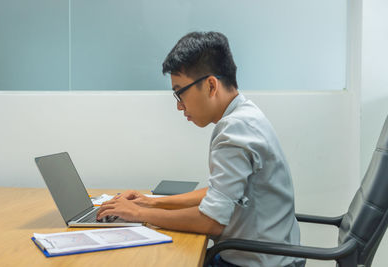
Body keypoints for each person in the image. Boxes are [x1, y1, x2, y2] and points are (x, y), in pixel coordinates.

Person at [97, 31, 305, 267]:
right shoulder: (246, 115)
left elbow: (211, 221)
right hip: (269, 256)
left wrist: (138, 214)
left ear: (210, 85)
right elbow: (219, 193)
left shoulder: (234, 130)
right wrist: (150, 202)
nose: (179, 106)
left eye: (180, 92)